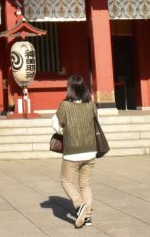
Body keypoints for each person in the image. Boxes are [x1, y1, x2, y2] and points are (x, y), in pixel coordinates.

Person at [52, 74, 98, 228]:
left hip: (72, 152)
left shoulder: (65, 106)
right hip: (90, 151)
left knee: (66, 181)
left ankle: (80, 206)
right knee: (85, 184)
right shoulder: (91, 105)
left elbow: (57, 126)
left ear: (70, 88)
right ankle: (88, 216)